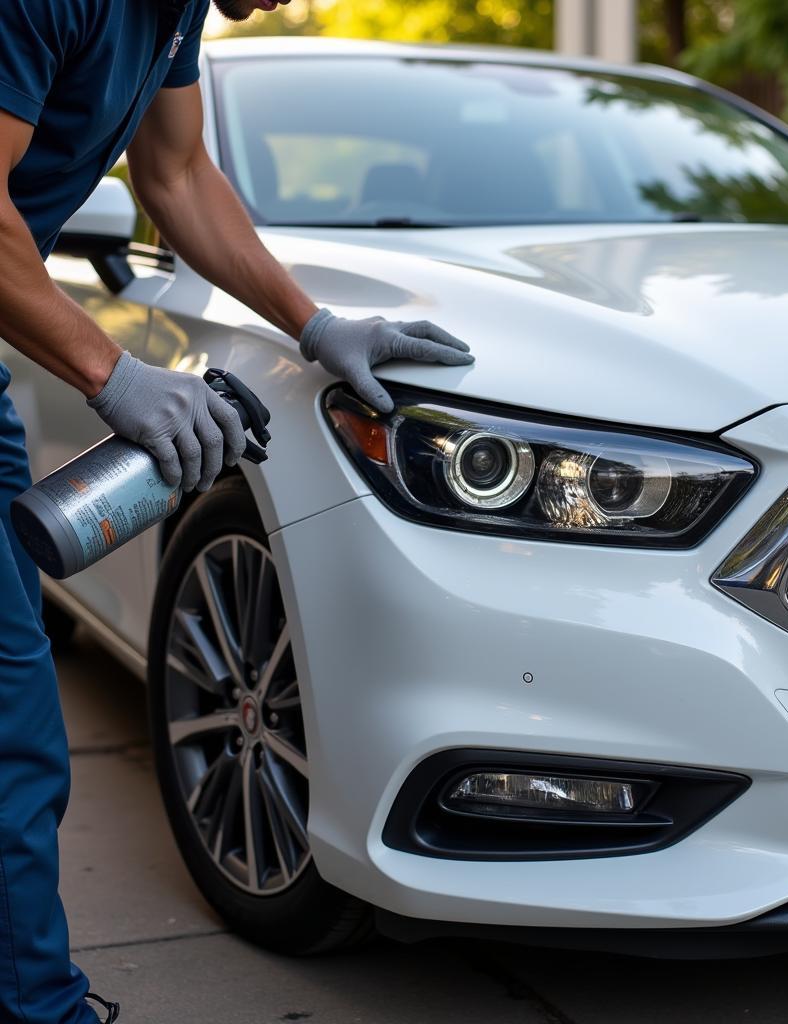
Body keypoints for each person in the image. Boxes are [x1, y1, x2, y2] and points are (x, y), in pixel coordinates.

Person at [0, 1, 474, 1021]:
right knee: (11, 722)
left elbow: (176, 177)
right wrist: (113, 373)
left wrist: (315, 324)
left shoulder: (172, 16)